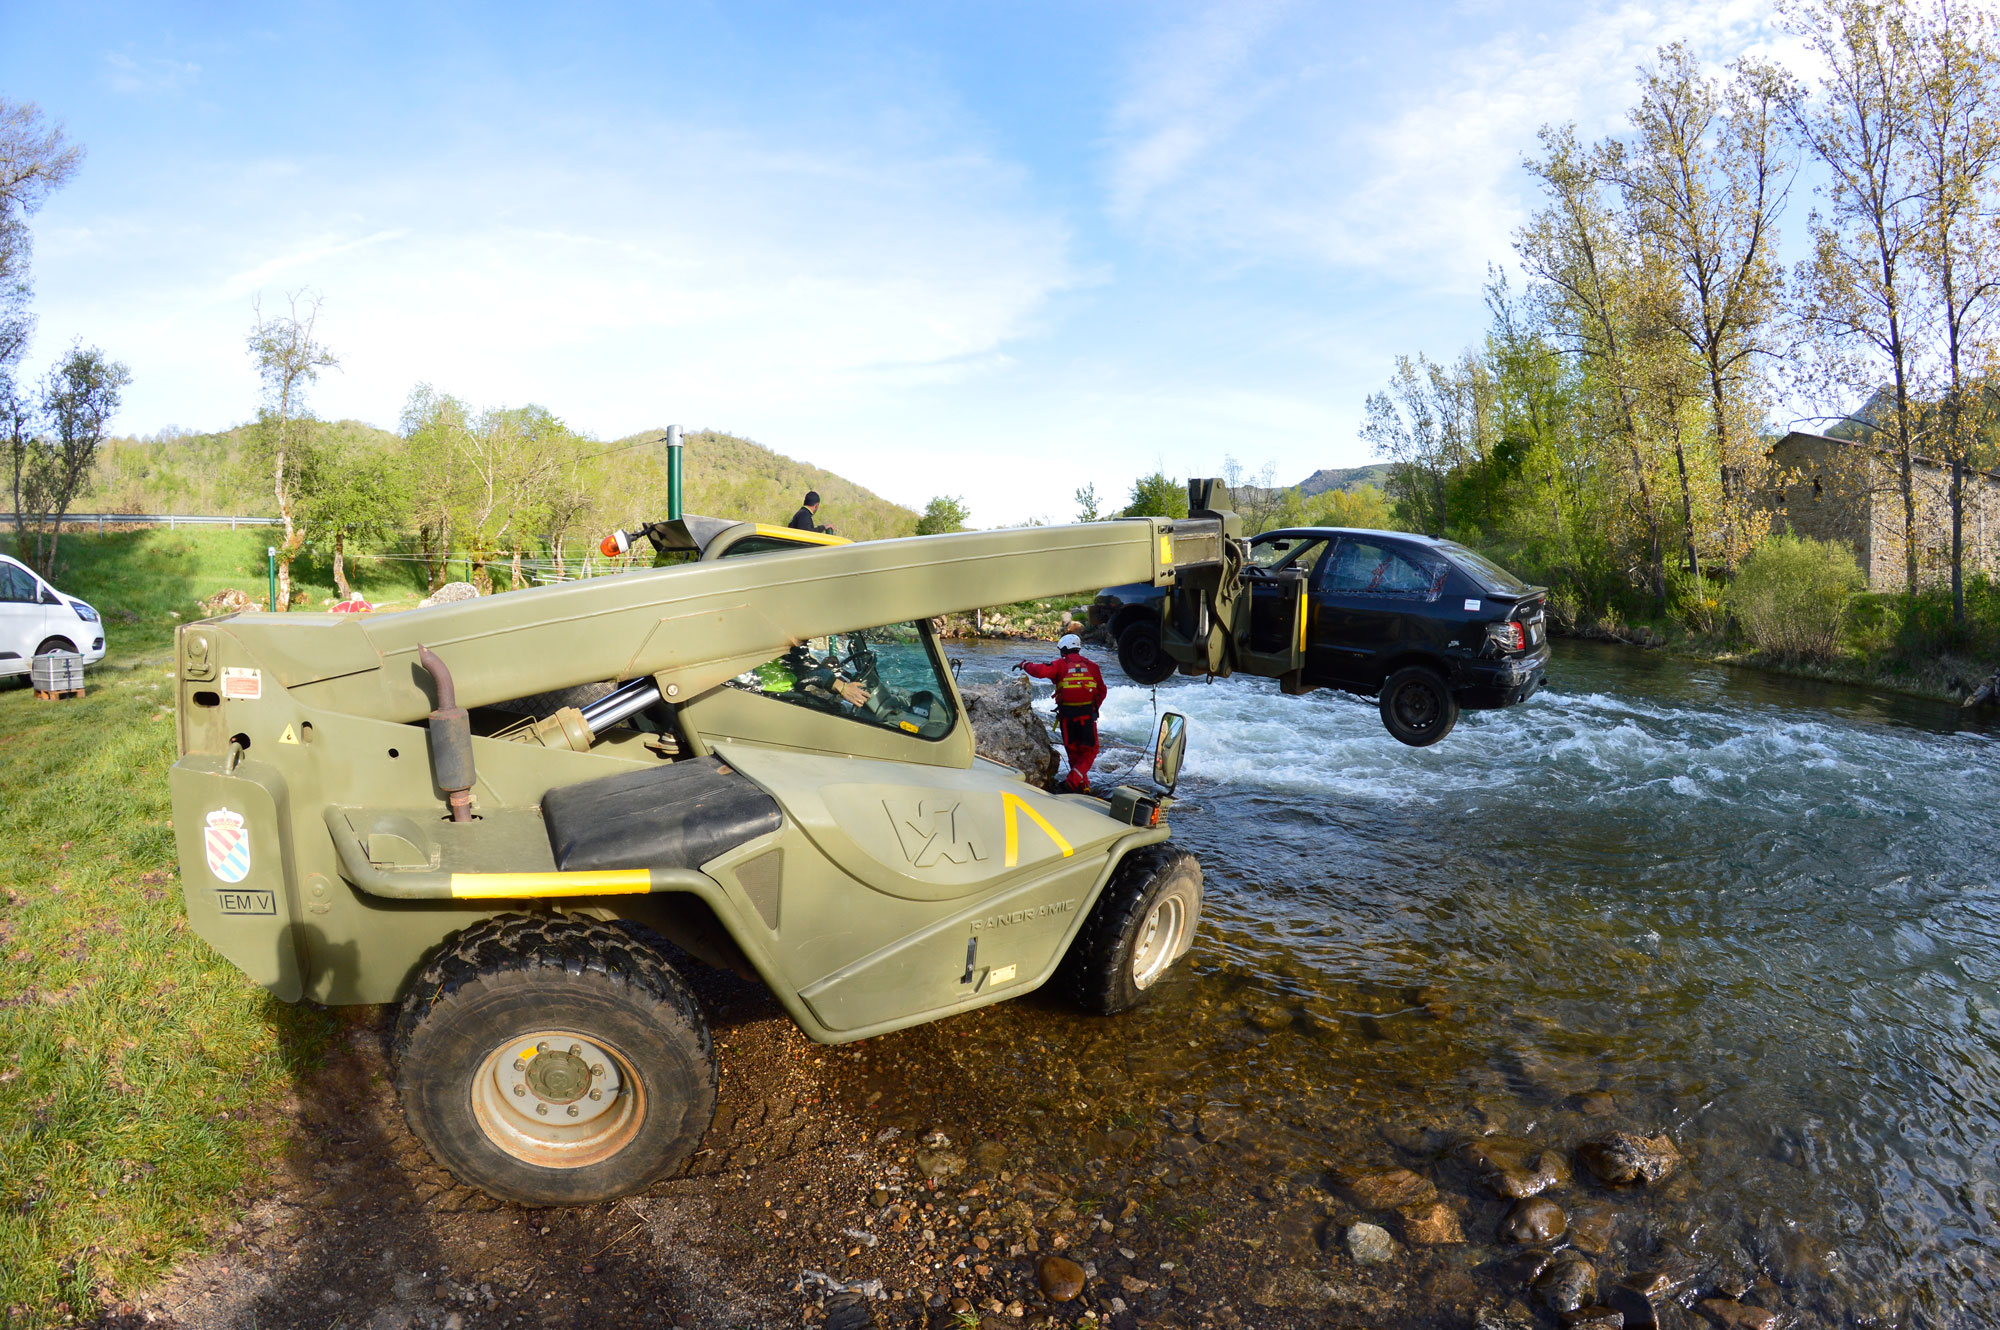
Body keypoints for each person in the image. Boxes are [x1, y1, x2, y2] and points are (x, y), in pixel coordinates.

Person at [1017, 632, 1107, 792]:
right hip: (1087, 717)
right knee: (1089, 752)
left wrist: (1024, 664)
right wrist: (1094, 708)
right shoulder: (1092, 667)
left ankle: (1080, 785)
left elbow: (1040, 671)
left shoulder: (1060, 665)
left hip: (1067, 718)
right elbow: (1102, 691)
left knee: (1074, 752)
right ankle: (1076, 784)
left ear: (1064, 649)